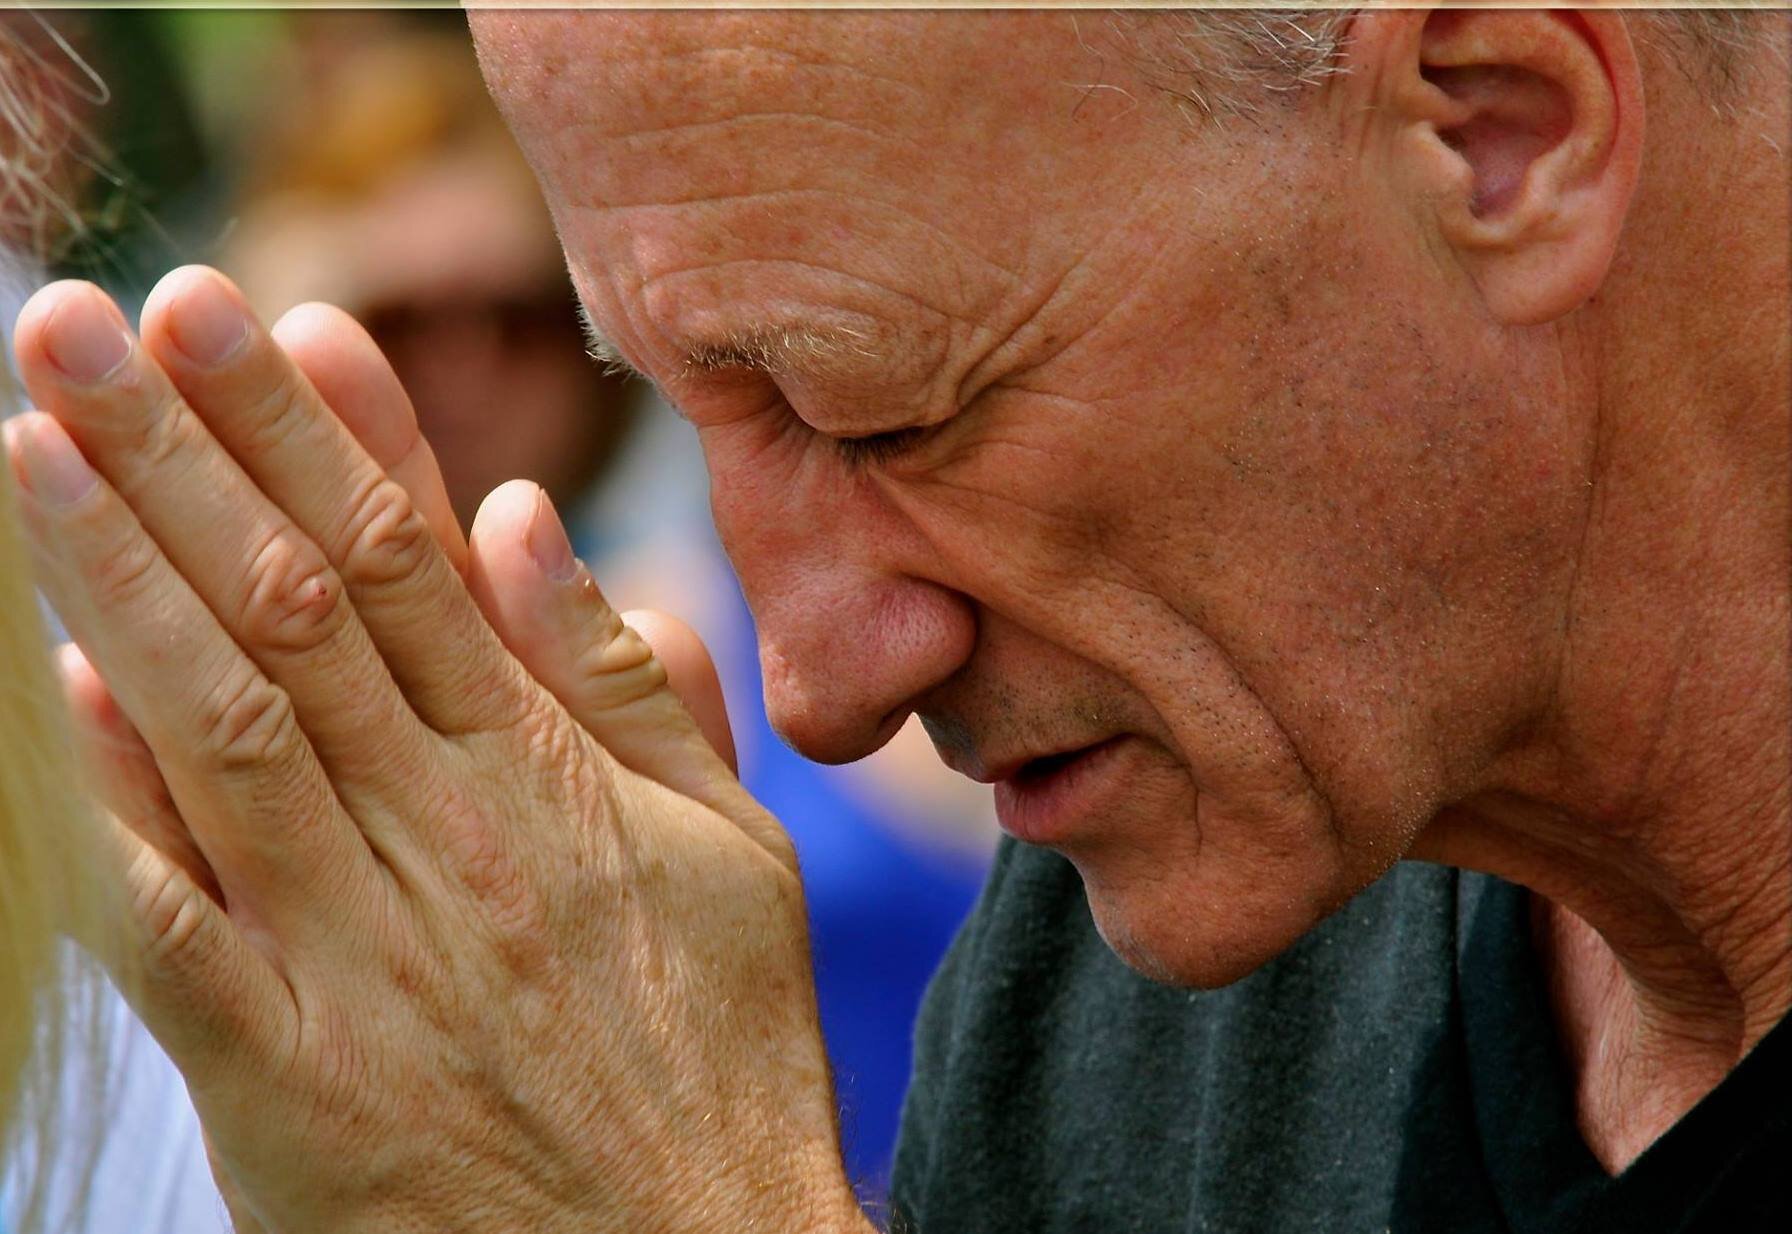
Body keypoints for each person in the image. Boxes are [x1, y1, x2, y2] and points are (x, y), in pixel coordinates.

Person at [1, 6, 1786, 1232]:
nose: (821, 685)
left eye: (885, 417)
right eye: (680, 407)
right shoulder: (1143, 964)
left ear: (1500, 129)